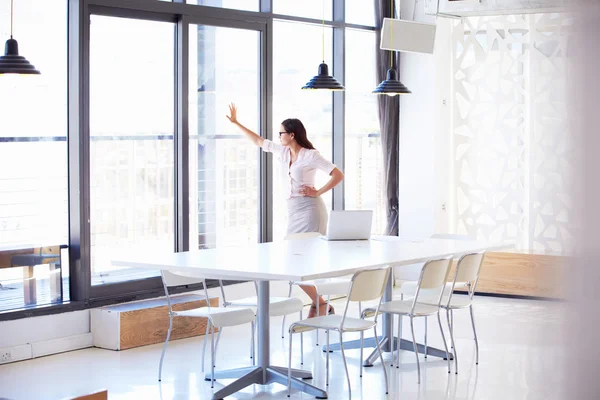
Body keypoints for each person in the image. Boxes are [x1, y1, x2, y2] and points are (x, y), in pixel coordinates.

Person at [226, 103, 344, 318]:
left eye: (281, 133)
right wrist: (236, 123)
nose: (278, 136)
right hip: (293, 211)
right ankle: (321, 303)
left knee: (299, 262)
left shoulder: (310, 155)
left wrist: (318, 193)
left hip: (310, 210)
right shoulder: (282, 152)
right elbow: (259, 141)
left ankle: (320, 304)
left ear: (291, 134)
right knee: (293, 262)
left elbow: (338, 175)